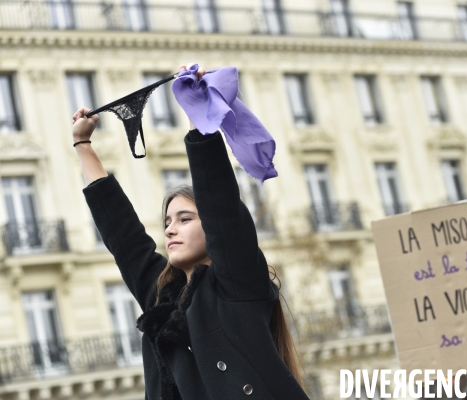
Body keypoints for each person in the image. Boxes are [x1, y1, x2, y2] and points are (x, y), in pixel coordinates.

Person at [72, 65, 309, 400]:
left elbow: (220, 204)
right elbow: (124, 238)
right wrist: (82, 143)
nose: (171, 229)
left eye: (185, 219)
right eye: (167, 221)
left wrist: (195, 109)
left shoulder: (238, 282)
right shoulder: (162, 296)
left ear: (209, 227)